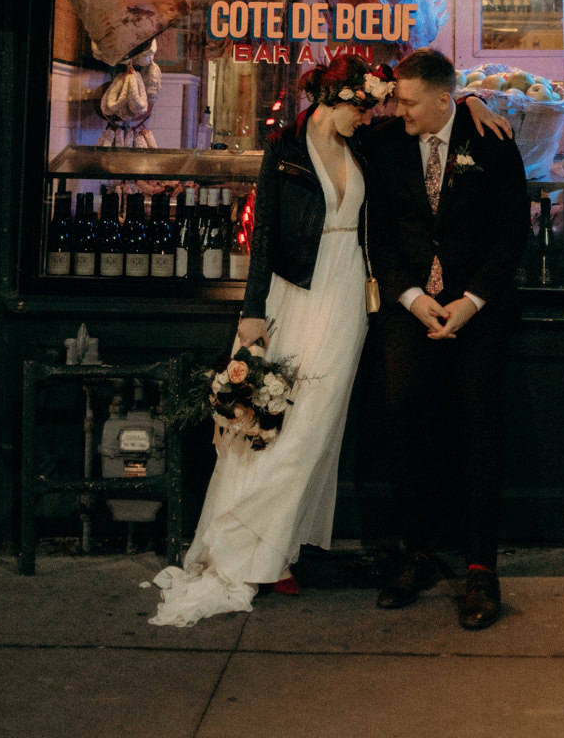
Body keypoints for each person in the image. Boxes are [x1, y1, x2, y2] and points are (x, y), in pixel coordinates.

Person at [149, 55, 509, 626]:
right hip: (321, 292)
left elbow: (496, 211)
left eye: (388, 107)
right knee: (285, 425)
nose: (380, 116)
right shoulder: (305, 147)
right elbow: (268, 231)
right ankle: (256, 548)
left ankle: (293, 550)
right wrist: (252, 311)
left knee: (331, 427)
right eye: (368, 107)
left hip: (368, 298)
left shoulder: (395, 137)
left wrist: (469, 100)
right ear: (336, 100)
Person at [368, 45, 531, 630]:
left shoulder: (492, 142)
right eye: (394, 98)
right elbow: (378, 236)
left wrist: (470, 301)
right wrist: (412, 299)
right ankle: (417, 555)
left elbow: (514, 232)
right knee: (404, 421)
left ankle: (481, 570)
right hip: (408, 311)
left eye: (409, 101)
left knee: (478, 433)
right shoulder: (384, 143)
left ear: (444, 101)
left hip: (477, 313)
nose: (398, 109)